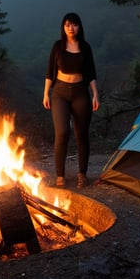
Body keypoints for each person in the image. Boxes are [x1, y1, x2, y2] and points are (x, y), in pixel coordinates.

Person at [43, 12, 100, 188]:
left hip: (80, 92)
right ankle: (60, 175)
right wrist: (46, 93)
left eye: (74, 24)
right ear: (63, 27)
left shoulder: (85, 47)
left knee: (81, 133)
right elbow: (50, 72)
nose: (70, 28)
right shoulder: (58, 46)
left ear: (79, 27)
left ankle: (82, 173)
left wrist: (95, 94)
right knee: (62, 133)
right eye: (67, 24)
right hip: (59, 93)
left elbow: (91, 73)